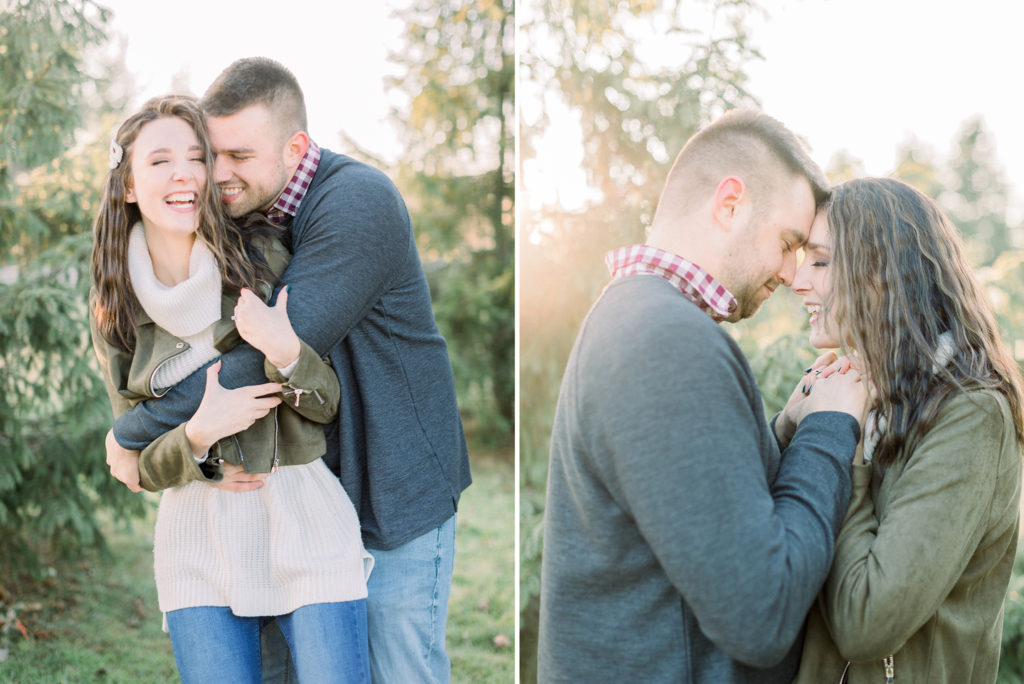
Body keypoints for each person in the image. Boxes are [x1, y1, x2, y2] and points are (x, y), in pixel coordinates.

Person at [102, 58, 471, 683]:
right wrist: (189, 448)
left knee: (399, 668)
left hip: (395, 486)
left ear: (295, 147)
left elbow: (254, 360)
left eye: (239, 156)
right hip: (304, 494)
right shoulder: (242, 222)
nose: (217, 175)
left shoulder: (357, 202)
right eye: (210, 154)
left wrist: (130, 437)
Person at [537, 109, 871, 682]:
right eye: (789, 242)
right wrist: (830, 427)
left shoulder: (634, 312)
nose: (794, 275)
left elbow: (696, 521)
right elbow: (762, 615)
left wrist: (787, 430)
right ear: (730, 204)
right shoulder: (666, 340)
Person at [90, 94, 374, 682]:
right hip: (197, 539)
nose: (184, 173)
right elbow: (137, 467)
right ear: (128, 186)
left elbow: (326, 404)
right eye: (160, 160)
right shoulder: (114, 313)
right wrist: (198, 435)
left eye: (196, 157)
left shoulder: (262, 257)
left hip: (304, 516)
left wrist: (286, 351)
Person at [784, 178, 1024, 683]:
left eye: (822, 261)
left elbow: (865, 624)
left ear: (881, 274)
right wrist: (791, 425)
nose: (797, 278)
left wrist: (843, 446)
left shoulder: (971, 415)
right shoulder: (847, 388)